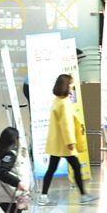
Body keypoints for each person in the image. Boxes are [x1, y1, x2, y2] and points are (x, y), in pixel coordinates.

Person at [40, 73, 94, 204]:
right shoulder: (64, 103)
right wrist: (70, 142)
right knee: (76, 166)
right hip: (64, 144)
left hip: (57, 143)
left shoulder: (57, 100)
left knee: (52, 169)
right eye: (71, 84)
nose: (72, 87)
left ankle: (44, 196)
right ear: (66, 86)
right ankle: (83, 195)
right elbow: (66, 125)